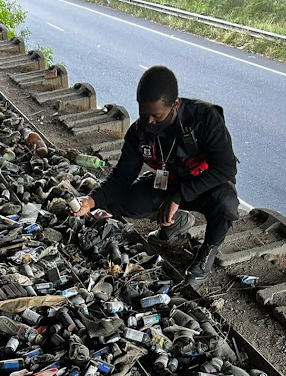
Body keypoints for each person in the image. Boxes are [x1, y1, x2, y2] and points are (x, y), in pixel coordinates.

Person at [73, 65, 239, 284]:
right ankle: (175, 221)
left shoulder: (204, 119)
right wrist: (92, 199)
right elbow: (121, 177)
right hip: (169, 182)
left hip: (206, 185)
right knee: (122, 203)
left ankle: (205, 256)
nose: (149, 121)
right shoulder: (139, 132)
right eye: (143, 114)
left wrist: (177, 197)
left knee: (226, 204)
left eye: (156, 115)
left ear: (175, 104)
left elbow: (226, 167)